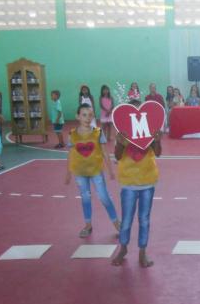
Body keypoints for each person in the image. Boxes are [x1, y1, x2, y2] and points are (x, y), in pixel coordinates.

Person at [111, 100, 162, 268]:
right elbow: (117, 156)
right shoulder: (123, 133)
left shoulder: (148, 131)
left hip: (147, 182)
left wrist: (157, 140)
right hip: (129, 183)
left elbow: (158, 153)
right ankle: (123, 248)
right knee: (126, 220)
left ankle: (142, 251)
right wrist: (120, 143)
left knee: (144, 219)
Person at [65, 104, 119, 238]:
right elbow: (70, 154)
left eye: (90, 115)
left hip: (96, 171)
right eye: (84, 115)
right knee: (85, 197)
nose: (87, 118)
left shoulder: (98, 132)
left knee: (104, 197)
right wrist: (68, 173)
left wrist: (111, 170)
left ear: (93, 117)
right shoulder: (72, 134)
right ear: (77, 116)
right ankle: (88, 225)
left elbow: (105, 152)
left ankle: (117, 223)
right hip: (80, 172)